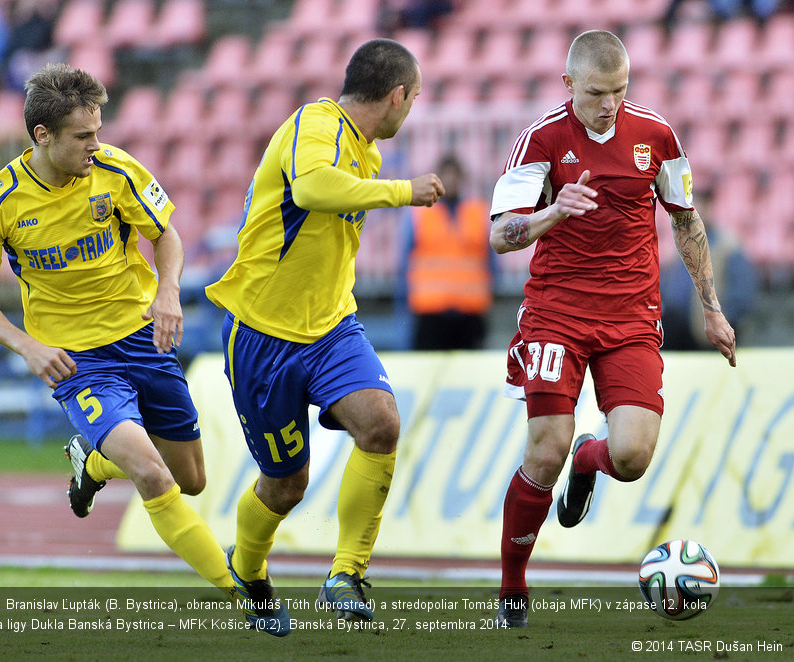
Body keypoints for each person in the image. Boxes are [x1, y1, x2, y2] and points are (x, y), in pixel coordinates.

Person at [0, 63, 236, 601]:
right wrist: (28, 346)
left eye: (98, 132)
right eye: (84, 136)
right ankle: (246, 593)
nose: (96, 145)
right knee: (153, 476)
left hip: (141, 338)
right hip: (79, 361)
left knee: (191, 479)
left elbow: (168, 236)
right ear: (43, 136)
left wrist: (169, 292)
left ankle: (93, 460)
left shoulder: (117, 171)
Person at [488, 30, 736, 628]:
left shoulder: (656, 136)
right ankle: (513, 586)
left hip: (630, 317)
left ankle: (589, 461)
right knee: (543, 447)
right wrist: (551, 211)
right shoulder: (540, 140)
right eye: (597, 92)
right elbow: (499, 236)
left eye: (620, 91)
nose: (609, 104)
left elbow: (687, 220)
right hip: (556, 311)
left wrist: (711, 306)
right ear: (568, 83)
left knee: (630, 456)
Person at [205, 38, 444, 637]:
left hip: (332, 328)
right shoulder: (316, 122)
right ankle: (250, 570)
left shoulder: (363, 151)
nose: (410, 110)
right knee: (285, 486)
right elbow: (311, 189)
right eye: (412, 99)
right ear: (397, 96)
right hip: (264, 338)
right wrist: (402, 192)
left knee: (382, 424)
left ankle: (348, 574)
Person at [403, 153, 493, 350]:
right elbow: (405, 263)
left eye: (455, 176)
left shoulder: (478, 212)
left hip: (470, 310)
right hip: (430, 310)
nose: (451, 181)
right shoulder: (420, 213)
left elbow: (491, 260)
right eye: (447, 176)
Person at [660, 190, 759, 351]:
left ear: (709, 207)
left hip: (710, 336)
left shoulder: (727, 246)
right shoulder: (679, 243)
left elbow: (741, 294)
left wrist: (723, 322)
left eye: (697, 206)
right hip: (679, 336)